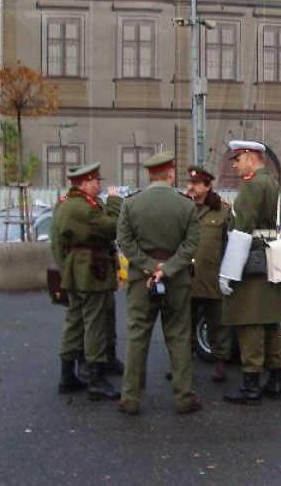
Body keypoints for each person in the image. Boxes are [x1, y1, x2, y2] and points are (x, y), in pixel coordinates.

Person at [117, 151, 201, 416]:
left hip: (142, 279)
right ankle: (184, 397)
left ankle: (130, 398)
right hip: (177, 280)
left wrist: (150, 267)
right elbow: (191, 244)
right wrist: (168, 269)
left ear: (149, 174)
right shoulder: (186, 205)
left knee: (137, 337)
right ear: (171, 173)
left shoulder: (131, 204)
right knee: (178, 337)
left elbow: (125, 241)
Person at [221, 140, 281, 405]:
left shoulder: (252, 186)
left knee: (249, 323)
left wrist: (228, 272)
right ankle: (275, 383)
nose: (236, 165)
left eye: (238, 159)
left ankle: (251, 386)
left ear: (251, 157)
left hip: (252, 262)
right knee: (272, 323)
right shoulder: (273, 184)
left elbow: (240, 232)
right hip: (272, 259)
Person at [51, 162, 123, 400]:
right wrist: (115, 201)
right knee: (94, 322)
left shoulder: (63, 205)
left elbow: (56, 243)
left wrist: (67, 267)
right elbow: (112, 227)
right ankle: (95, 378)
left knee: (74, 321)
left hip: (73, 270)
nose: (98, 185)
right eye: (95, 181)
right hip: (92, 271)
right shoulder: (85, 208)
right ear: (83, 184)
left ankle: (66, 376)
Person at [185, 165, 233, 383]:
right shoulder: (184, 207)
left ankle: (220, 363)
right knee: (184, 324)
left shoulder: (222, 210)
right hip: (186, 278)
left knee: (218, 323)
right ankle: (182, 365)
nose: (191, 187)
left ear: (208, 186)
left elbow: (231, 245)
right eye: (190, 183)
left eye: (195, 183)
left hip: (212, 277)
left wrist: (228, 273)